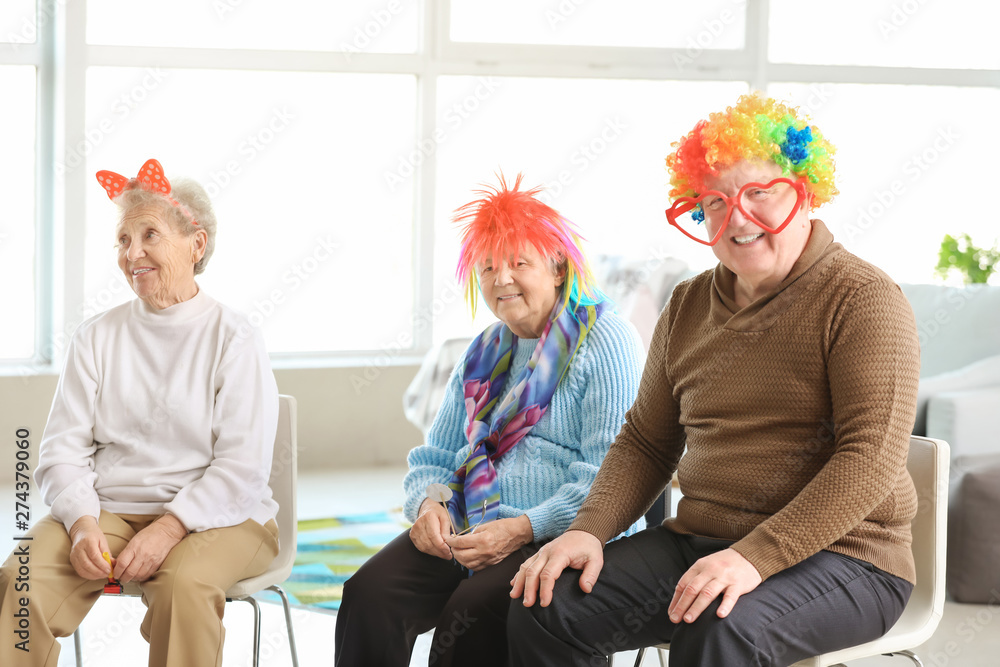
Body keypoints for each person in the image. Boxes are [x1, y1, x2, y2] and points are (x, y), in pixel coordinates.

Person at [508, 93, 921, 666]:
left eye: (759, 193)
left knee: (721, 627)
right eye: (716, 202)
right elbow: (647, 441)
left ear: (806, 193)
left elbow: (870, 459)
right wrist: (588, 530)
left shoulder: (863, 299)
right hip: (702, 542)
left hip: (848, 557)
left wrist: (755, 556)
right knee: (546, 603)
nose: (738, 218)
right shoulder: (687, 303)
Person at [335, 174, 645, 667]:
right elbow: (435, 457)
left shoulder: (606, 340)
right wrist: (429, 506)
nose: (502, 280)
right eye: (488, 267)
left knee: (470, 612)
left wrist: (521, 528)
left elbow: (610, 477)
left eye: (519, 263)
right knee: (369, 594)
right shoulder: (484, 350)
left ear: (558, 267)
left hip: (558, 533)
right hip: (470, 525)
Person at [0, 159, 280, 667]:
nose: (132, 254)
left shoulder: (234, 337)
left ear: (196, 244)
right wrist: (81, 522)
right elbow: (62, 450)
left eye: (149, 234)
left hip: (223, 517)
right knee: (21, 579)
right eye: (123, 240)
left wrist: (171, 527)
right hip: (110, 510)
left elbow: (242, 468)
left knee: (183, 586)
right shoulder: (95, 337)